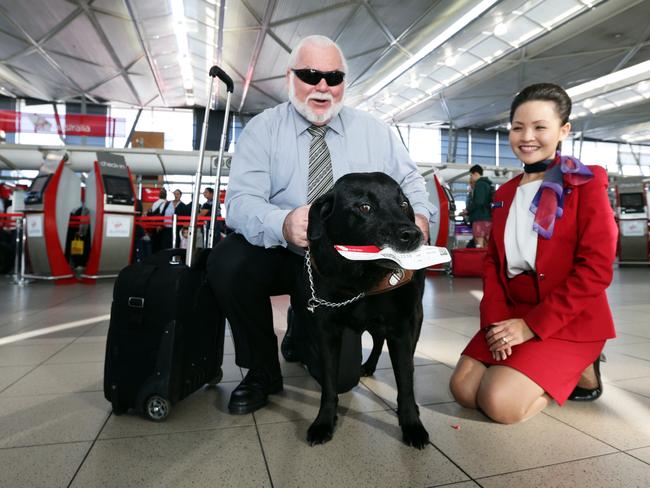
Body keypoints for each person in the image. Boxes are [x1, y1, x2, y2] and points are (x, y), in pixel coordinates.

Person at [207, 35, 437, 415]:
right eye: (311, 74)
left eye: (334, 77)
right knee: (227, 263)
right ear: (289, 77)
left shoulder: (375, 131)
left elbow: (411, 184)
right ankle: (261, 370)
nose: (322, 86)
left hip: (344, 267)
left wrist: (420, 219)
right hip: (281, 252)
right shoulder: (263, 130)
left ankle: (302, 328)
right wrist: (282, 223)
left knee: (344, 380)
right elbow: (240, 203)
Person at [449, 83, 617, 424]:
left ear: (563, 130)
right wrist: (496, 324)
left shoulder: (584, 182)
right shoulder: (506, 192)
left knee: (499, 403)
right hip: (513, 308)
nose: (527, 137)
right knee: (464, 390)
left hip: (567, 317)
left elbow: (596, 269)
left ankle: (583, 363)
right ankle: (542, 366)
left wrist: (531, 327)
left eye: (540, 127)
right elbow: (494, 263)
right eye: (517, 127)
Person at [466, 164, 493, 248]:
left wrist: (468, 210)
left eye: (471, 175)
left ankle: (480, 261)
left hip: (479, 218)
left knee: (479, 244)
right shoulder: (487, 184)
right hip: (488, 218)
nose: (471, 178)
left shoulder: (480, 184)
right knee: (487, 244)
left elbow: (479, 202)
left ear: (476, 174)